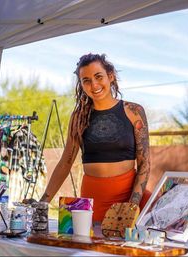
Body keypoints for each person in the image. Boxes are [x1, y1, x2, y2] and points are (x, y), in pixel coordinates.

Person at [40, 53, 150, 223]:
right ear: (81, 85)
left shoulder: (133, 111)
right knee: (90, 247)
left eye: (99, 77)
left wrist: (131, 206)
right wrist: (43, 202)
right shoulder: (79, 117)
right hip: (92, 202)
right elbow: (65, 163)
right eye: (86, 80)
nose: (94, 85)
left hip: (128, 199)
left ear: (110, 76)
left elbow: (145, 163)